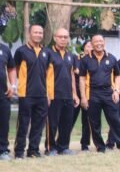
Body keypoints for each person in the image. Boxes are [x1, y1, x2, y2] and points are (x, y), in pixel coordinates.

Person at [79, 34, 120, 153]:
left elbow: (117, 75)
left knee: (115, 120)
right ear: (92, 43)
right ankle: (100, 147)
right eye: (96, 41)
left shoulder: (111, 58)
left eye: (101, 41)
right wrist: (83, 98)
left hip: (108, 93)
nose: (99, 44)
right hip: (93, 94)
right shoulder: (86, 59)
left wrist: (116, 90)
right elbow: (82, 79)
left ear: (104, 42)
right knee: (94, 122)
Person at [14, 23, 53, 159]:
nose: (38, 35)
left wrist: (49, 94)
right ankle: (19, 152)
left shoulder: (46, 52)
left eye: (40, 33)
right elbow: (16, 70)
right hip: (26, 95)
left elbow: (49, 75)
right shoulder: (21, 51)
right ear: (29, 34)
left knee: (38, 124)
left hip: (42, 95)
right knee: (23, 124)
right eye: (35, 32)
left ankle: (33, 150)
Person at [44, 27, 79, 156]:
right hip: (53, 95)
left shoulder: (71, 56)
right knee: (52, 123)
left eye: (65, 37)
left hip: (68, 95)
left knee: (67, 123)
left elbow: (72, 76)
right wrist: (46, 93)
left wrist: (74, 93)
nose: (63, 39)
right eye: (60, 37)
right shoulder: (48, 53)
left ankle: (63, 147)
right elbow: (43, 74)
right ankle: (51, 148)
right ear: (55, 38)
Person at [72, 41, 92, 151]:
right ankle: (62, 142)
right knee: (70, 119)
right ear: (83, 47)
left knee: (87, 120)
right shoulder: (76, 58)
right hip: (76, 94)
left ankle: (85, 144)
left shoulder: (93, 60)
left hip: (88, 94)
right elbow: (74, 71)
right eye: (88, 46)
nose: (90, 48)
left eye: (92, 46)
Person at [0, 39, 18, 161]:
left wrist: (13, 85)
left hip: (3, 93)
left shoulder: (4, 49)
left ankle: (3, 150)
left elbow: (11, 68)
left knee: (3, 123)